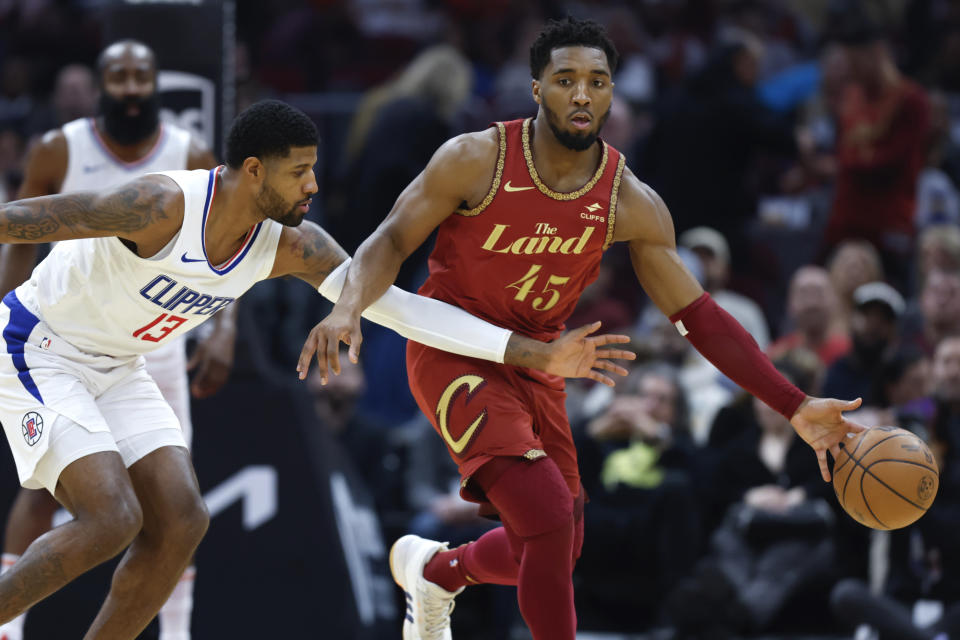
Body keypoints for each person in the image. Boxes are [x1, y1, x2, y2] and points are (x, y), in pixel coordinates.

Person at [312, 17, 866, 640]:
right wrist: (345, 309)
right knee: (546, 519)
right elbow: (389, 239)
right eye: (566, 80)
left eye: (597, 81)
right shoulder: (476, 158)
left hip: (544, 364)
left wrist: (792, 405)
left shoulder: (629, 200)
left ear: (611, 93)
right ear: (537, 89)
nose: (582, 94)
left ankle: (438, 571)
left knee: (551, 548)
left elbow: (699, 316)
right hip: (456, 349)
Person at [0, 98, 632, 640]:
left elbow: (405, 313)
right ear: (254, 171)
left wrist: (534, 353)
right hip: (39, 345)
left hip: (118, 364)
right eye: (299, 171)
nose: (313, 186)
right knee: (111, 517)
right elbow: (35, 216)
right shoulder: (160, 205)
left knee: (182, 522)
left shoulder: (292, 246)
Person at [0, 41, 224, 640]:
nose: (130, 87)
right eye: (119, 77)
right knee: (58, 491)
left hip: (156, 347)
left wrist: (223, 331)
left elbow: (226, 251)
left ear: (155, 85)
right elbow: (20, 240)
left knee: (177, 507)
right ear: (102, 86)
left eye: (141, 76)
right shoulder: (61, 148)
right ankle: (10, 628)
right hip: (65, 332)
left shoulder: (190, 152)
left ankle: (175, 633)